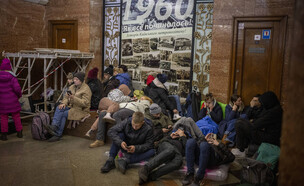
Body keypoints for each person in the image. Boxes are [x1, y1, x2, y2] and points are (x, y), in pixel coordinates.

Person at [232, 91, 282, 157]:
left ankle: (240, 150)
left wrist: (252, 120)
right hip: (265, 132)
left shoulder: (274, 112)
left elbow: (257, 124)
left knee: (239, 124)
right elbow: (253, 118)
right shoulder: (273, 108)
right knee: (240, 122)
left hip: (270, 138)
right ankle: (242, 148)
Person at [44, 72, 92, 142]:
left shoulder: (86, 89)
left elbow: (85, 103)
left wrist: (74, 98)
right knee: (59, 107)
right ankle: (54, 126)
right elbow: (66, 97)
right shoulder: (72, 87)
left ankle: (57, 134)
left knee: (63, 114)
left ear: (81, 80)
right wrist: (64, 103)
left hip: (81, 110)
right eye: (74, 79)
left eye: (76, 79)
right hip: (71, 107)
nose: (74, 80)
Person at [0, 58, 23, 140]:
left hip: (2, 102)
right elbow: (17, 89)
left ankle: (4, 135)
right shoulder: (12, 77)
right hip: (13, 101)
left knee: (3, 118)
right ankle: (19, 132)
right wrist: (19, 95)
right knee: (16, 116)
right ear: (9, 67)